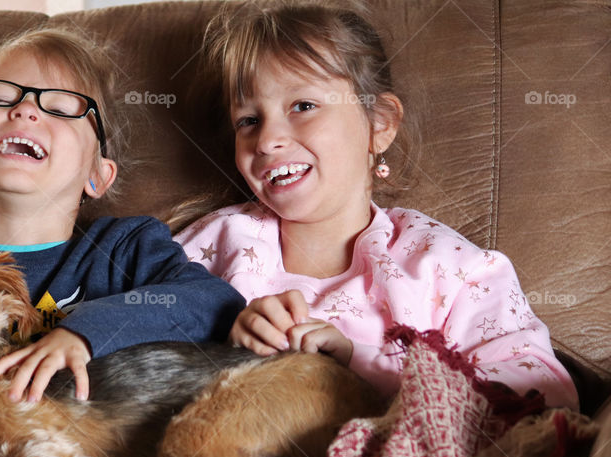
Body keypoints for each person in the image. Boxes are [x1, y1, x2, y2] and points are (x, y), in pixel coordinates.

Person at [0, 27, 246, 457]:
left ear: (97, 176)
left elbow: (216, 303)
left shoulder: (125, 248)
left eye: (63, 106)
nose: (25, 109)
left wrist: (84, 332)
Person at [174, 2, 578, 410]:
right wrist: (222, 348)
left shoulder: (444, 267)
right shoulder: (215, 244)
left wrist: (363, 365)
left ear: (380, 123)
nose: (266, 140)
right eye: (248, 121)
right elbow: (128, 346)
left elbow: (548, 393)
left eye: (303, 106)